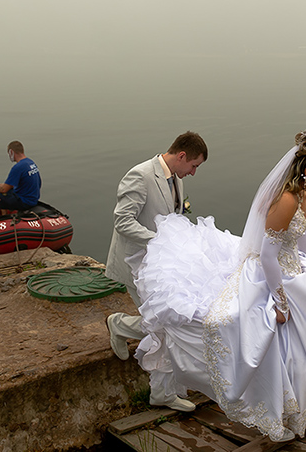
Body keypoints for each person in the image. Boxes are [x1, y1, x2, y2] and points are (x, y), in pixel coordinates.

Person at [133, 128, 306, 441]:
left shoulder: (303, 195)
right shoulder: (287, 200)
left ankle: (297, 412)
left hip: (297, 274)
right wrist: (280, 302)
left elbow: (303, 241)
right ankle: (275, 412)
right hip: (272, 273)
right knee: (272, 344)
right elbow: (267, 255)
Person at [104, 131, 208, 411]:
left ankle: (161, 392)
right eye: (194, 165)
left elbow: (174, 216)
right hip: (135, 263)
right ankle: (120, 325)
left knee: (170, 324)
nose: (194, 173)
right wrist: (159, 240)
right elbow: (122, 222)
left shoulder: (176, 179)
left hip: (162, 266)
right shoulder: (140, 175)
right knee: (164, 326)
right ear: (182, 155)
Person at [0, 141, 41, 217]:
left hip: (24, 201)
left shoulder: (18, 167)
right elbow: (10, 185)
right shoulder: (30, 163)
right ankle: (4, 215)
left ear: (11, 152)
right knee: (3, 193)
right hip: (32, 199)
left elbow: (3, 189)